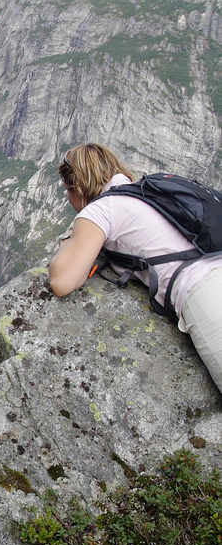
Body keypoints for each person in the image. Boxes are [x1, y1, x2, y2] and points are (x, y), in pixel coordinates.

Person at [48, 142, 222, 394]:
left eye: (67, 190)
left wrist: (69, 240)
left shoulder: (102, 209)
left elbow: (61, 281)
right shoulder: (150, 191)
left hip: (206, 293)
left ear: (77, 187)